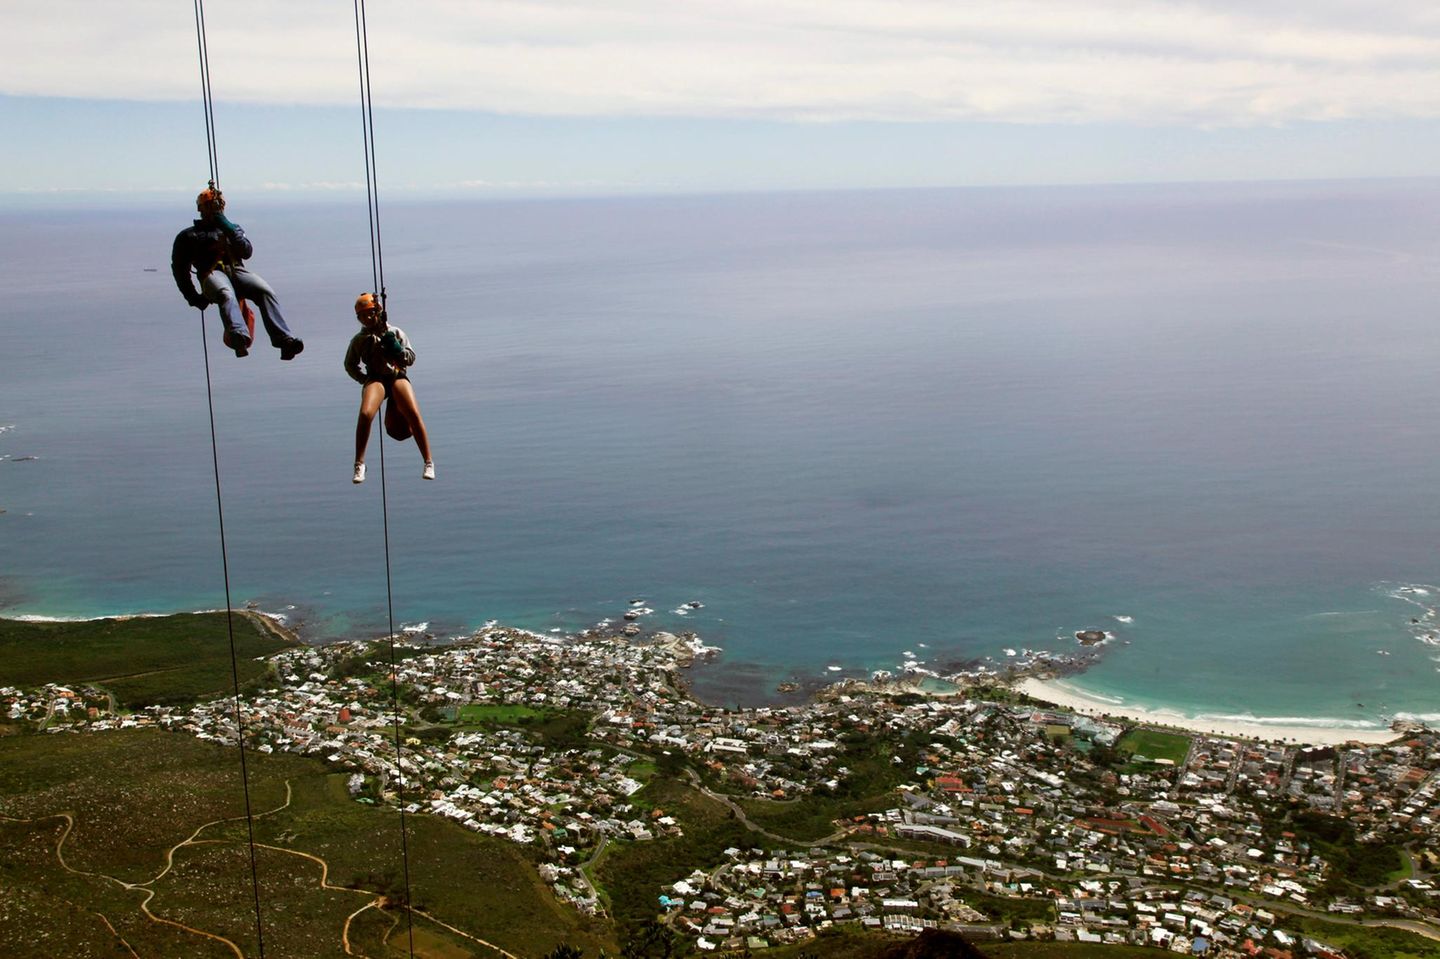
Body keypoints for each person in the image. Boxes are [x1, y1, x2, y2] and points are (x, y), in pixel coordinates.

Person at [171, 186, 303, 360]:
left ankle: (284, 340)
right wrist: (193, 297)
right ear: (201, 209)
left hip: (236, 271)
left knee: (265, 291)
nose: (215, 209)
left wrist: (227, 227)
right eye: (211, 206)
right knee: (226, 293)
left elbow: (246, 252)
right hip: (211, 274)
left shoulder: (232, 229)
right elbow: (180, 270)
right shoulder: (188, 236)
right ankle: (238, 336)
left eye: (217, 206)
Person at [344, 292, 434, 483]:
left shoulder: (395, 332)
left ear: (378, 312)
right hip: (376, 378)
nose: (368, 318)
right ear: (358, 318)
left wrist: (395, 347)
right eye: (363, 315)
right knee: (366, 414)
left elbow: (410, 359)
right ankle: (359, 463)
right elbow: (349, 364)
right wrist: (363, 379)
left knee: (413, 413)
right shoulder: (359, 340)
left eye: (370, 313)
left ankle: (428, 461)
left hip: (395, 375)